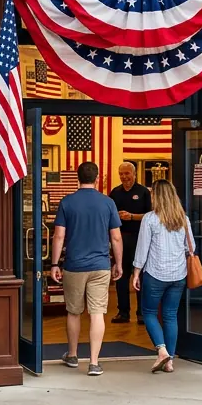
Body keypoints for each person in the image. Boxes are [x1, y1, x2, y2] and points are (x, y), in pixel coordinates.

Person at [50, 161, 123, 376]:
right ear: (97, 178)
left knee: (73, 312)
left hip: (74, 265)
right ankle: (93, 362)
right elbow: (116, 237)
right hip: (101, 265)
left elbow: (59, 236)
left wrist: (55, 263)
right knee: (97, 312)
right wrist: (118, 263)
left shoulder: (67, 202)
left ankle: (72, 355)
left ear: (77, 179)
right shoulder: (108, 203)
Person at [131, 180, 190, 374]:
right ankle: (170, 361)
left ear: (156, 196)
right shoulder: (183, 219)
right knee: (170, 315)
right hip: (178, 274)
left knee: (148, 312)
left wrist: (136, 272)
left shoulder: (149, 219)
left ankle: (162, 350)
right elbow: (191, 248)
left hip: (156, 274)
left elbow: (142, 249)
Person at [108, 161, 152, 323]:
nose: (124, 177)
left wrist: (132, 216)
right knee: (121, 275)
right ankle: (123, 312)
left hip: (140, 238)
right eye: (121, 174)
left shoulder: (143, 192)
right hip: (119, 239)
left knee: (140, 275)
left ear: (134, 174)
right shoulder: (115, 193)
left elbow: (151, 215)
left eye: (127, 173)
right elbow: (108, 215)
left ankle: (142, 313)